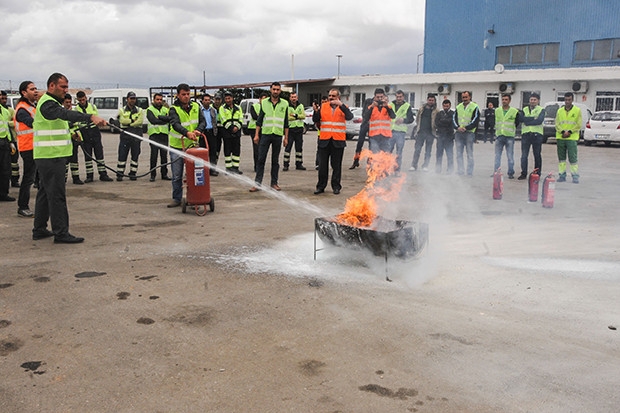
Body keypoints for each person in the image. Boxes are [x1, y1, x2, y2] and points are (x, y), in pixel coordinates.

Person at [32, 72, 106, 243]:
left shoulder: (51, 103)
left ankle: (39, 229)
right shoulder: (48, 104)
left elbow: (64, 121)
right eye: (63, 86)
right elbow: (65, 115)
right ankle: (61, 233)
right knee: (57, 195)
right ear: (52, 86)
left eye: (67, 86)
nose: (66, 90)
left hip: (50, 155)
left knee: (45, 192)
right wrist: (90, 116)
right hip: (51, 156)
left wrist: (84, 126)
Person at [167, 83, 206, 207]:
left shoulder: (196, 106)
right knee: (177, 175)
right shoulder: (173, 109)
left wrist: (198, 130)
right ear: (178, 95)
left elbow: (203, 121)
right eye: (183, 94)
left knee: (195, 173)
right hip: (177, 146)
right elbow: (175, 124)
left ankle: (196, 197)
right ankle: (177, 198)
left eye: (188, 94)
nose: (186, 97)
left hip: (193, 147)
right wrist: (187, 133)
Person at [312, 88, 353, 195]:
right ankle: (320, 186)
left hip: (338, 141)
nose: (331, 98)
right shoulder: (323, 107)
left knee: (336, 166)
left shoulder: (343, 108)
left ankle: (336, 187)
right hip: (324, 140)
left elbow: (350, 117)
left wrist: (342, 105)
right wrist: (315, 111)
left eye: (333, 96)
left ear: (338, 97)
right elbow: (316, 119)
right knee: (322, 166)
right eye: (329, 95)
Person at [250, 82, 289, 192]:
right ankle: (257, 183)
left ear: (280, 91)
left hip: (277, 135)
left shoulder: (285, 104)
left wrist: (286, 138)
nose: (275, 91)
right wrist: (257, 135)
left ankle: (274, 183)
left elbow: (286, 123)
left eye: (277, 89)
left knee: (275, 160)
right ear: (270, 90)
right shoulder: (264, 103)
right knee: (261, 159)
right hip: (265, 135)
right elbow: (259, 120)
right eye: (274, 89)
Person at [75, 91, 113, 183]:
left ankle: (103, 174)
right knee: (88, 156)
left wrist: (89, 120)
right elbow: (76, 122)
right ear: (78, 100)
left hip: (94, 132)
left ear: (86, 98)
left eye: (83, 99)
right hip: (85, 133)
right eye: (80, 100)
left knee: (99, 154)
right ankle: (89, 176)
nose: (82, 102)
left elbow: (96, 117)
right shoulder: (76, 109)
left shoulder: (92, 106)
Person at [14, 80, 39, 217]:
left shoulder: (32, 107)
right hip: (28, 148)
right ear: (24, 93)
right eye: (32, 89)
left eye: (36, 88)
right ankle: (22, 206)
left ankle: (41, 205)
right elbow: (31, 123)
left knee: (38, 178)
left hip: (36, 147)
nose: (35, 91)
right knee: (28, 178)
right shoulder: (22, 109)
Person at [116, 91, 144, 181]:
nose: (133, 100)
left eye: (134, 98)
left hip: (136, 136)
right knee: (122, 156)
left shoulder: (140, 110)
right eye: (131, 98)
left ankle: (133, 173)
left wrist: (128, 123)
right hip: (125, 137)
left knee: (135, 156)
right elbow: (121, 121)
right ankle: (120, 174)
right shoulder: (122, 110)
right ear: (127, 99)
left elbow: (140, 122)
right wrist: (132, 121)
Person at [555, 92, 581, 183]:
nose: (567, 101)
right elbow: (557, 124)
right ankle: (562, 176)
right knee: (561, 158)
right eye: (566, 100)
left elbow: (578, 124)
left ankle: (575, 176)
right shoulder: (559, 111)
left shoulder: (577, 110)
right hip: (561, 137)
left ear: (572, 100)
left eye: (569, 100)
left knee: (572, 158)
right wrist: (562, 132)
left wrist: (570, 132)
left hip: (572, 138)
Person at [518, 93, 545, 180]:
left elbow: (539, 121)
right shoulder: (524, 109)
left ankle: (537, 172)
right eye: (531, 100)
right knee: (524, 155)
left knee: (537, 155)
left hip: (537, 135)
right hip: (526, 135)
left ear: (538, 101)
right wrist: (533, 118)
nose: (532, 101)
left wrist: (527, 121)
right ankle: (523, 173)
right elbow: (521, 119)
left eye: (534, 100)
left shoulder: (541, 110)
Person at [452, 91, 480, 176]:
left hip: (469, 133)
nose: (464, 99)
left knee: (469, 153)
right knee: (459, 154)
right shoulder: (458, 107)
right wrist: (457, 127)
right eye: (463, 97)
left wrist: (466, 128)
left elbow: (475, 120)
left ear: (470, 97)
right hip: (459, 133)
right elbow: (454, 119)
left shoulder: (475, 107)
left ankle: (469, 172)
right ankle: (460, 170)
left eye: (466, 97)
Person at [493, 94, 520, 179]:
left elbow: (517, 122)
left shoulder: (514, 111)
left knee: (510, 156)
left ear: (509, 101)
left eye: (506, 99)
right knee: (497, 155)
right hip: (499, 135)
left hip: (509, 136)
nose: (504, 101)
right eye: (503, 99)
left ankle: (511, 173)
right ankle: (496, 171)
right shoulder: (497, 110)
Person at [146, 93, 171, 181]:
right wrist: (164, 120)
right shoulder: (150, 109)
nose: (159, 101)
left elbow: (170, 119)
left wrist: (160, 119)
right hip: (154, 135)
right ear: (154, 100)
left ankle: (164, 174)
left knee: (164, 156)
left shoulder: (165, 109)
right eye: (157, 99)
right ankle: (153, 175)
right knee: (154, 156)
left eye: (161, 99)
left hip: (164, 135)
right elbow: (153, 120)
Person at [410, 94, 438, 171]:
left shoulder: (436, 111)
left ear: (434, 101)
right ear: (427, 100)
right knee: (417, 150)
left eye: (432, 100)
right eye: (429, 100)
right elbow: (417, 119)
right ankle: (414, 165)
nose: (431, 102)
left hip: (430, 133)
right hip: (420, 132)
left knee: (428, 151)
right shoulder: (421, 109)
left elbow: (437, 121)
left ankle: (425, 166)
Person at [389, 90, 414, 174]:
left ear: (403, 97)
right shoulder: (390, 105)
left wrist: (403, 120)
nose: (398, 98)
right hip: (390, 131)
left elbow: (411, 119)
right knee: (388, 151)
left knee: (399, 152)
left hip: (401, 132)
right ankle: (386, 168)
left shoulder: (407, 106)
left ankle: (397, 169)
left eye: (400, 97)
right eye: (397, 97)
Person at [219, 90, 243, 174]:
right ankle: (228, 169)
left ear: (232, 98)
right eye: (226, 99)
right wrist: (231, 128)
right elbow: (223, 119)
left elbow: (241, 119)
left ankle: (235, 168)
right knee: (227, 151)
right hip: (227, 133)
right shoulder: (222, 108)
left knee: (236, 151)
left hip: (237, 133)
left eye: (229, 98)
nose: (228, 100)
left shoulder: (238, 108)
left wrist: (237, 127)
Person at [364, 88, 395, 154]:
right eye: (378, 97)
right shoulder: (371, 107)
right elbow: (366, 117)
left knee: (385, 156)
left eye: (381, 97)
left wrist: (386, 106)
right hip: (374, 136)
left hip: (385, 136)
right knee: (375, 156)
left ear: (384, 97)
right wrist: (372, 106)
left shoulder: (388, 107)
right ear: (374, 97)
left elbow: (393, 116)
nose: (380, 99)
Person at [62, 94, 84, 185]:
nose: (68, 104)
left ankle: (76, 178)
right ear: (63, 103)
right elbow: (64, 125)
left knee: (74, 160)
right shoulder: (61, 112)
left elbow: (78, 122)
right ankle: (64, 179)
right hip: (65, 140)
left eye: (69, 102)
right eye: (66, 102)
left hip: (75, 138)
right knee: (65, 161)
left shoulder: (74, 111)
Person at [0, 91, 20, 188]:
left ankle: (12, 182)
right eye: (1, 97)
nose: (3, 100)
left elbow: (14, 123)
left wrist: (10, 141)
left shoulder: (8, 111)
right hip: (3, 141)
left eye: (4, 98)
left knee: (10, 164)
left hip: (8, 140)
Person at [349, 96, 374, 169]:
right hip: (365, 124)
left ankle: (369, 162)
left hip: (372, 126)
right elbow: (364, 113)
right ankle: (356, 160)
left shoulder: (381, 103)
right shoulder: (368, 101)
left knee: (372, 144)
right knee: (359, 143)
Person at [283, 92, 306, 171]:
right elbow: (287, 117)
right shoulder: (287, 106)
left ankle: (299, 164)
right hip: (291, 129)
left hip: (299, 129)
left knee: (299, 148)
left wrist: (295, 115)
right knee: (288, 148)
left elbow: (303, 116)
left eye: (295, 97)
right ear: (290, 98)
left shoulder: (301, 106)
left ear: (297, 98)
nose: (293, 98)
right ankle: (286, 165)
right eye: (292, 97)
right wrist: (297, 117)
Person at [247, 92, 268, 172]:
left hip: (264, 129)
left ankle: (261, 165)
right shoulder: (254, 106)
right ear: (259, 99)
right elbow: (255, 116)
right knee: (256, 149)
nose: (264, 100)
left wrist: (260, 116)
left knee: (262, 149)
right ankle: (256, 166)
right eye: (263, 98)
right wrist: (261, 116)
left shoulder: (267, 107)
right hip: (253, 129)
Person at [200, 93, 219, 176]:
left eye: (208, 100)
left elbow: (215, 121)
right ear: (202, 101)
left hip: (212, 132)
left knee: (213, 152)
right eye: (205, 100)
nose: (207, 102)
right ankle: (203, 169)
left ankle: (212, 169)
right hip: (203, 133)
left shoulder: (213, 110)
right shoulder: (199, 111)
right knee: (203, 152)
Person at [435, 99, 455, 174]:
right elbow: (437, 123)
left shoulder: (453, 113)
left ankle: (450, 169)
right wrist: (446, 122)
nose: (445, 107)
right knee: (439, 154)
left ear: (450, 105)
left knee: (449, 154)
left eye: (447, 106)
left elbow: (452, 123)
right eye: (444, 106)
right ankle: (438, 168)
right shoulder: (439, 113)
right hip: (440, 136)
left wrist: (443, 121)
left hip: (449, 137)